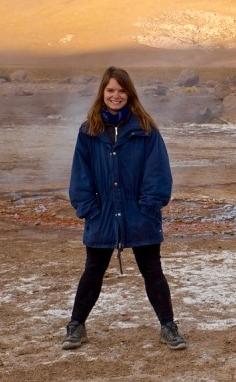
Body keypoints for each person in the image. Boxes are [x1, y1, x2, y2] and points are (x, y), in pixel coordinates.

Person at [61, 66, 186, 350]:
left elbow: (158, 172)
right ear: (102, 93)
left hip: (139, 213)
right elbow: (80, 174)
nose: (115, 96)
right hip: (102, 213)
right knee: (93, 270)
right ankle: (76, 326)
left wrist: (150, 206)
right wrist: (88, 209)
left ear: (129, 93)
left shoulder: (145, 129)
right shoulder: (89, 130)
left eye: (120, 90)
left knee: (152, 270)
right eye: (110, 90)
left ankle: (168, 327)